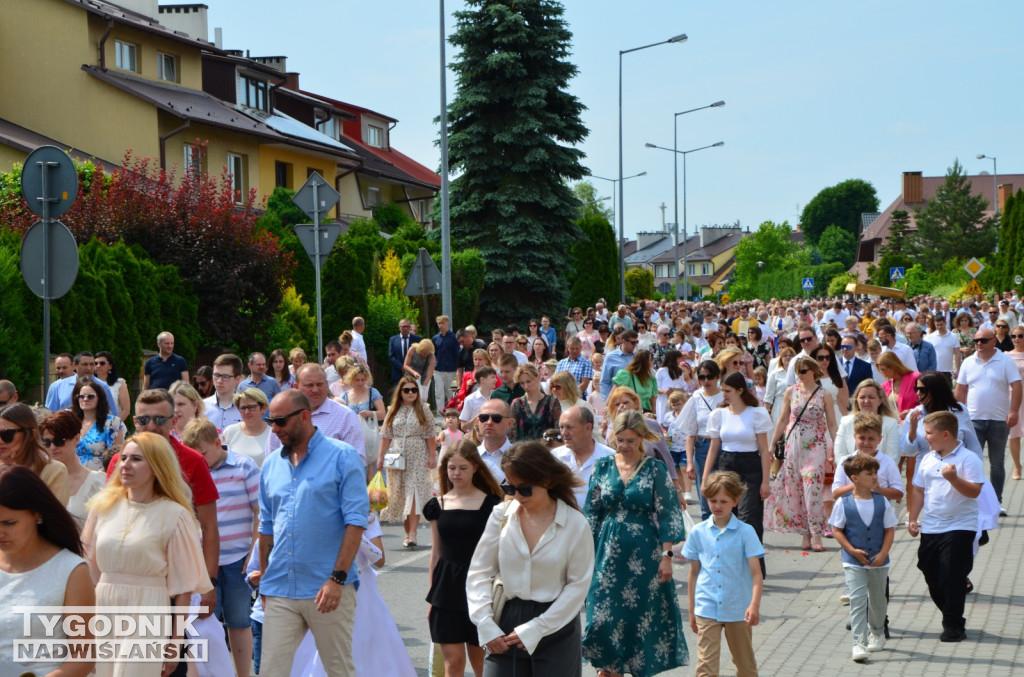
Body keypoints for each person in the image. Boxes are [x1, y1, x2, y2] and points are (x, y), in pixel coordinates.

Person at [256, 389, 369, 676]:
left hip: (328, 587)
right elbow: (266, 528)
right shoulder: (270, 465)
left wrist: (337, 579)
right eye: (270, 421)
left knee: (338, 669)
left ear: (304, 416)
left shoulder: (343, 457)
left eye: (280, 421)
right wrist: (265, 580)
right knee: (270, 670)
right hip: (280, 587)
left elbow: (355, 522)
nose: (274, 428)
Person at [83, 433, 213, 677]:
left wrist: (175, 643)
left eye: (136, 459)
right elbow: (89, 573)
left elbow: (183, 587)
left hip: (149, 608)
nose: (125, 465)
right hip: (103, 607)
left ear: (156, 467)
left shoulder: (176, 515)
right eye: (123, 458)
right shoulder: (103, 506)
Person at [466, 441, 595, 677]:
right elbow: (479, 571)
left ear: (546, 480)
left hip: (557, 624)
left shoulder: (576, 524)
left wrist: (540, 627)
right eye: (509, 488)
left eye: (524, 489)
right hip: (505, 622)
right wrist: (484, 622)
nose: (516, 496)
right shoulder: (501, 515)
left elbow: (578, 586)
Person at [583, 410, 688, 677]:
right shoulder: (603, 466)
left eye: (630, 440)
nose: (624, 446)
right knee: (600, 618)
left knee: (637, 620)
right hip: (605, 552)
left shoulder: (655, 469)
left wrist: (667, 556)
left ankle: (618, 670)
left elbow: (668, 514)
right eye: (620, 439)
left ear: (642, 438)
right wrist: (583, 552)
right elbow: (591, 512)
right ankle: (609, 667)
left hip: (644, 554)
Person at [0, 465, 95, 677]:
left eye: (9, 523)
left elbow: (84, 657)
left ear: (37, 514)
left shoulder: (71, 571)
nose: (1, 532)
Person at [182, 418, 259, 677]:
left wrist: (253, 553)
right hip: (205, 562)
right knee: (205, 623)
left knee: (239, 622)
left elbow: (260, 512)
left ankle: (242, 674)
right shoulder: (190, 472)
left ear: (218, 443)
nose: (199, 460)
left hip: (238, 559)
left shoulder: (243, 466)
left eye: (202, 454)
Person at [424, 440, 504, 677]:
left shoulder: (492, 504)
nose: (456, 473)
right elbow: (436, 553)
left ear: (476, 468)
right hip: (446, 590)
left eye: (463, 468)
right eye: (451, 468)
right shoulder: (437, 504)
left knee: (482, 664)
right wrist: (431, 597)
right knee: (453, 663)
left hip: (480, 588)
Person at [907, 412, 985, 643]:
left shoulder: (969, 459)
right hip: (932, 527)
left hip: (961, 526)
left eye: (929, 432)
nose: (925, 436)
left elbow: (975, 491)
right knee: (930, 571)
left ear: (946, 434)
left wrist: (953, 479)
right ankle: (952, 615)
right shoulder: (928, 458)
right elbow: (918, 490)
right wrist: (912, 518)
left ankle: (953, 624)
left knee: (952, 575)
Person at [683, 471, 764, 677]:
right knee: (706, 666)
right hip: (706, 606)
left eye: (723, 501)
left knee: (745, 664)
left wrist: (754, 605)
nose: (717, 506)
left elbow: (756, 574)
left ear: (735, 501)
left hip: (738, 609)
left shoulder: (746, 532)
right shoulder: (698, 532)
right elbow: (693, 574)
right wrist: (692, 611)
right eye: (712, 501)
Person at [702, 371, 773, 577]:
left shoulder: (756, 413)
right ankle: (728, 568)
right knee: (726, 518)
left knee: (749, 519)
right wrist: (706, 478)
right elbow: (714, 448)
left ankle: (754, 570)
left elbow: (764, 450)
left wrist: (765, 482)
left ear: (740, 391)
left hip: (750, 466)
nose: (723, 394)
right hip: (726, 465)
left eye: (728, 391)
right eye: (722, 390)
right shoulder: (719, 414)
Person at [828, 453, 897, 661]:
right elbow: (837, 530)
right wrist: (851, 550)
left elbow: (889, 530)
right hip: (853, 562)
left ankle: (876, 632)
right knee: (858, 601)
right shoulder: (844, 503)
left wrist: (883, 553)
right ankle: (859, 643)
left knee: (878, 602)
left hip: (878, 561)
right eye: (869, 473)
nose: (875, 477)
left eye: (876, 472)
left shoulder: (882, 501)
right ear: (854, 477)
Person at [766, 356, 837, 552]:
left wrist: (838, 449)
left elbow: (831, 423)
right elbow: (782, 420)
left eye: (804, 371)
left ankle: (816, 532)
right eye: (798, 371)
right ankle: (805, 532)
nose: (800, 375)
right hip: (794, 445)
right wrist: (772, 445)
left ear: (814, 371)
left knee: (812, 486)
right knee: (796, 489)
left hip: (815, 444)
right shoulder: (791, 392)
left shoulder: (824, 394)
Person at [956, 327, 1022, 514]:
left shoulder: (1005, 361)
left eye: (983, 340)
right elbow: (960, 390)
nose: (978, 344)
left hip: (999, 420)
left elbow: (1016, 386)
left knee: (997, 463)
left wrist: (1014, 411)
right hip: (973, 420)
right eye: (976, 340)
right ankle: (974, 502)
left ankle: (996, 502)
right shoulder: (968, 362)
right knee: (972, 462)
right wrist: (959, 415)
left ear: (993, 341)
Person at [377, 376, 437, 548]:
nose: (411, 393)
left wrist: (432, 456)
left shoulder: (424, 409)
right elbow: (386, 435)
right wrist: (380, 457)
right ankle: (406, 533)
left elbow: (430, 433)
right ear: (400, 392)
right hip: (397, 455)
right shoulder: (393, 410)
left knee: (414, 492)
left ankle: (413, 533)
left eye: (414, 390)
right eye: (407, 390)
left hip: (418, 454)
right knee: (400, 493)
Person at [266, 364, 364, 464]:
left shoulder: (346, 416)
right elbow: (271, 457)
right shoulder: (282, 415)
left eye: (319, 384)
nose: (315, 390)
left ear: (326, 384)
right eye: (309, 385)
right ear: (296, 387)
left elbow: (356, 460)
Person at [40, 410, 105, 530]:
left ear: (76, 439)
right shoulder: (38, 478)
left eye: (59, 441)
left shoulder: (98, 482)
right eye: (47, 442)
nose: (53, 447)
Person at [680, 360, 725, 519]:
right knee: (704, 492)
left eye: (710, 376)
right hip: (703, 447)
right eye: (702, 377)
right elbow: (690, 433)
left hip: (725, 447)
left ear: (717, 376)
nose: (706, 381)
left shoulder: (725, 395)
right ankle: (709, 531)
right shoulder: (696, 397)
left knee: (724, 491)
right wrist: (690, 462)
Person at [0, 403, 69, 504]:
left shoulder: (53, 471)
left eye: (6, 434)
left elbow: (54, 516)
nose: (0, 441)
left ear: (32, 434)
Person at [552, 406, 616, 507]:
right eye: (561, 427)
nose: (564, 433)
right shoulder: (554, 458)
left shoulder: (610, 458)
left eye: (569, 427)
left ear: (588, 428)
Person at [835, 380, 900, 463]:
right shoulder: (845, 421)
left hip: (881, 474)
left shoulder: (891, 424)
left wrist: (870, 475)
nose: (866, 401)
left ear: (880, 400)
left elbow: (893, 457)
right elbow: (840, 455)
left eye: (871, 397)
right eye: (862, 397)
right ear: (856, 400)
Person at [339, 364, 385, 474]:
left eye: (362, 380)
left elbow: (382, 414)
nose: (360, 383)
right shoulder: (344, 396)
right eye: (357, 380)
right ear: (351, 380)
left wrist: (369, 413)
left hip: (370, 438)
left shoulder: (372, 392)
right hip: (352, 438)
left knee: (372, 473)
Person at [72, 379, 126, 471]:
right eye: (81, 396)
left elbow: (116, 457)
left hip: (101, 477)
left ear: (99, 399)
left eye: (91, 396)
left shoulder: (113, 423)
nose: (85, 399)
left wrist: (95, 477)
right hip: (74, 477)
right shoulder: (71, 422)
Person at [45, 352, 119, 416]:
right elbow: (51, 413)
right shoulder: (58, 386)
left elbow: (112, 414)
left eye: (92, 364)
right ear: (75, 365)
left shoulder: (103, 387)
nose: (89, 368)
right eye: (85, 364)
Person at [510, 364, 562, 442]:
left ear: (538, 377)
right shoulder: (517, 404)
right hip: (523, 451)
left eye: (528, 381)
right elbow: (512, 433)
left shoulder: (552, 402)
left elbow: (558, 431)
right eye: (522, 383)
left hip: (546, 451)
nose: (526, 386)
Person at [221, 387, 272, 467]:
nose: (247, 412)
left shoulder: (273, 434)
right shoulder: (230, 432)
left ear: (263, 408)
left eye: (251, 407)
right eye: (243, 408)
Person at [476, 399, 513, 483]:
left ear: (509, 423)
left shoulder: (520, 458)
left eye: (496, 418)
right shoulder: (469, 457)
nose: (489, 422)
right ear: (478, 421)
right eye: (484, 417)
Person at [611, 348, 657, 414]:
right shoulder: (626, 375)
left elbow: (653, 400)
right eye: (650, 360)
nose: (651, 363)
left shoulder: (651, 378)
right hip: (629, 412)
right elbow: (613, 396)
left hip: (646, 413)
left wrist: (654, 415)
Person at [204, 353, 244, 429]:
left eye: (226, 377)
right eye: (216, 375)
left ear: (237, 379)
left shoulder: (246, 408)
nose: (219, 381)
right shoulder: (203, 406)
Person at [878, 352, 920, 420]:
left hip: (915, 423)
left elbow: (927, 401)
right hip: (894, 426)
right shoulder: (884, 386)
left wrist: (911, 412)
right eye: (881, 371)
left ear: (893, 366)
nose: (883, 373)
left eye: (883, 369)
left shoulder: (915, 377)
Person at [434, 315, 461, 413]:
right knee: (439, 394)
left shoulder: (454, 338)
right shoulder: (435, 338)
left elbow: (457, 353)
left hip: (452, 370)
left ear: (447, 323)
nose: (441, 325)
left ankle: (453, 414)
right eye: (439, 323)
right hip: (438, 370)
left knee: (452, 394)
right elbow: (434, 353)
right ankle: (440, 415)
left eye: (443, 323)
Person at [599, 330, 638, 399]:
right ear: (624, 341)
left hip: (635, 398)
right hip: (618, 399)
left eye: (636, 342)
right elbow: (604, 382)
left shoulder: (637, 356)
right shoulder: (610, 357)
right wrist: (607, 401)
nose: (635, 345)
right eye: (632, 343)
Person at [655, 349, 689, 425]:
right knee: (663, 421)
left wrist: (677, 390)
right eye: (679, 358)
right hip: (664, 400)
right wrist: (664, 391)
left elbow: (684, 387)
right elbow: (655, 388)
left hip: (677, 400)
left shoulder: (679, 371)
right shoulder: (661, 371)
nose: (680, 360)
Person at [94, 350, 130, 419]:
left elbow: (126, 410)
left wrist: (114, 425)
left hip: (113, 424)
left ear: (110, 366)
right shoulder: (89, 383)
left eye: (102, 363)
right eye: (95, 363)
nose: (98, 366)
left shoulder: (119, 383)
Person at [461, 366, 499, 431]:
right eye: (492, 377)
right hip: (475, 437)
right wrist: (479, 417)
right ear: (483, 379)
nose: (496, 380)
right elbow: (463, 426)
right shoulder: (470, 399)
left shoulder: (496, 397)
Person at [404, 339, 437, 404]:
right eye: (423, 351)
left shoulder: (432, 357)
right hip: (411, 376)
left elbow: (429, 374)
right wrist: (414, 372)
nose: (424, 354)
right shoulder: (412, 349)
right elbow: (405, 365)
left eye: (427, 353)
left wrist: (424, 388)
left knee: (423, 398)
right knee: (412, 395)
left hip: (424, 377)